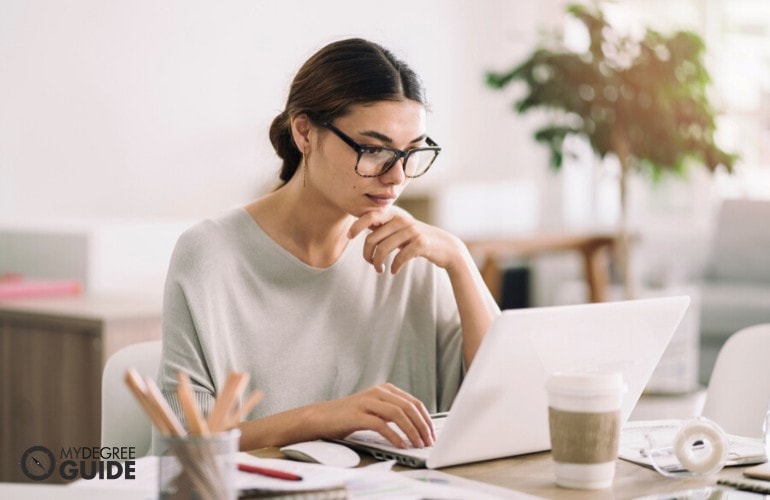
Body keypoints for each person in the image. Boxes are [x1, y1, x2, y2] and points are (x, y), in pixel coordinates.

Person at [155, 38, 500, 453]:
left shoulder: (415, 255)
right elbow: (183, 447)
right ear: (304, 132)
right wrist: (321, 419)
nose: (396, 178)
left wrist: (460, 262)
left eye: (411, 153)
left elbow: (502, 399)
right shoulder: (210, 255)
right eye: (374, 150)